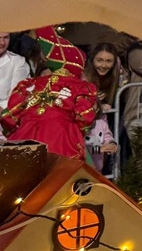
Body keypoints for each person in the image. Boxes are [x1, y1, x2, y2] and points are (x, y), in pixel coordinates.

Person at [1, 27, 97, 160]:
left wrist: (18, 128)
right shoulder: (80, 87)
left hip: (27, 135)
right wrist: (75, 130)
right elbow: (84, 117)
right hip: (61, 138)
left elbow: (10, 117)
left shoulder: (30, 84)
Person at [82, 43, 128, 112]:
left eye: (108, 61)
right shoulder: (83, 77)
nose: (103, 65)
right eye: (99, 60)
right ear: (92, 60)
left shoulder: (118, 72)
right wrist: (98, 105)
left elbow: (123, 82)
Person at [0, 31, 31, 113]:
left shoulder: (18, 62)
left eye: (6, 38)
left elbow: (16, 97)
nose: (2, 42)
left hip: (7, 115)